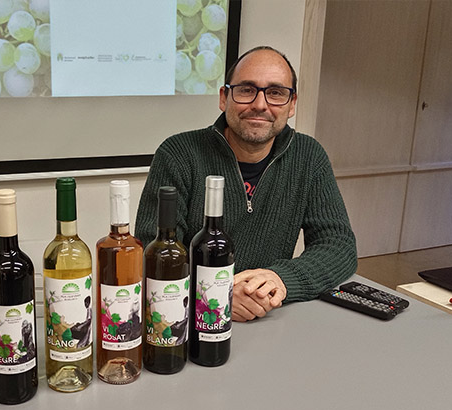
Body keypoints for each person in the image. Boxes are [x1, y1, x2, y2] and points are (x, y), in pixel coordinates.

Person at [135, 46, 357, 321]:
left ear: (292, 104)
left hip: (272, 317)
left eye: (276, 93)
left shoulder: (309, 156)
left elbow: (338, 245)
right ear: (223, 97)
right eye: (246, 90)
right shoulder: (178, 154)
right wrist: (219, 295)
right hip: (190, 320)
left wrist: (280, 279)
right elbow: (153, 255)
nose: (260, 104)